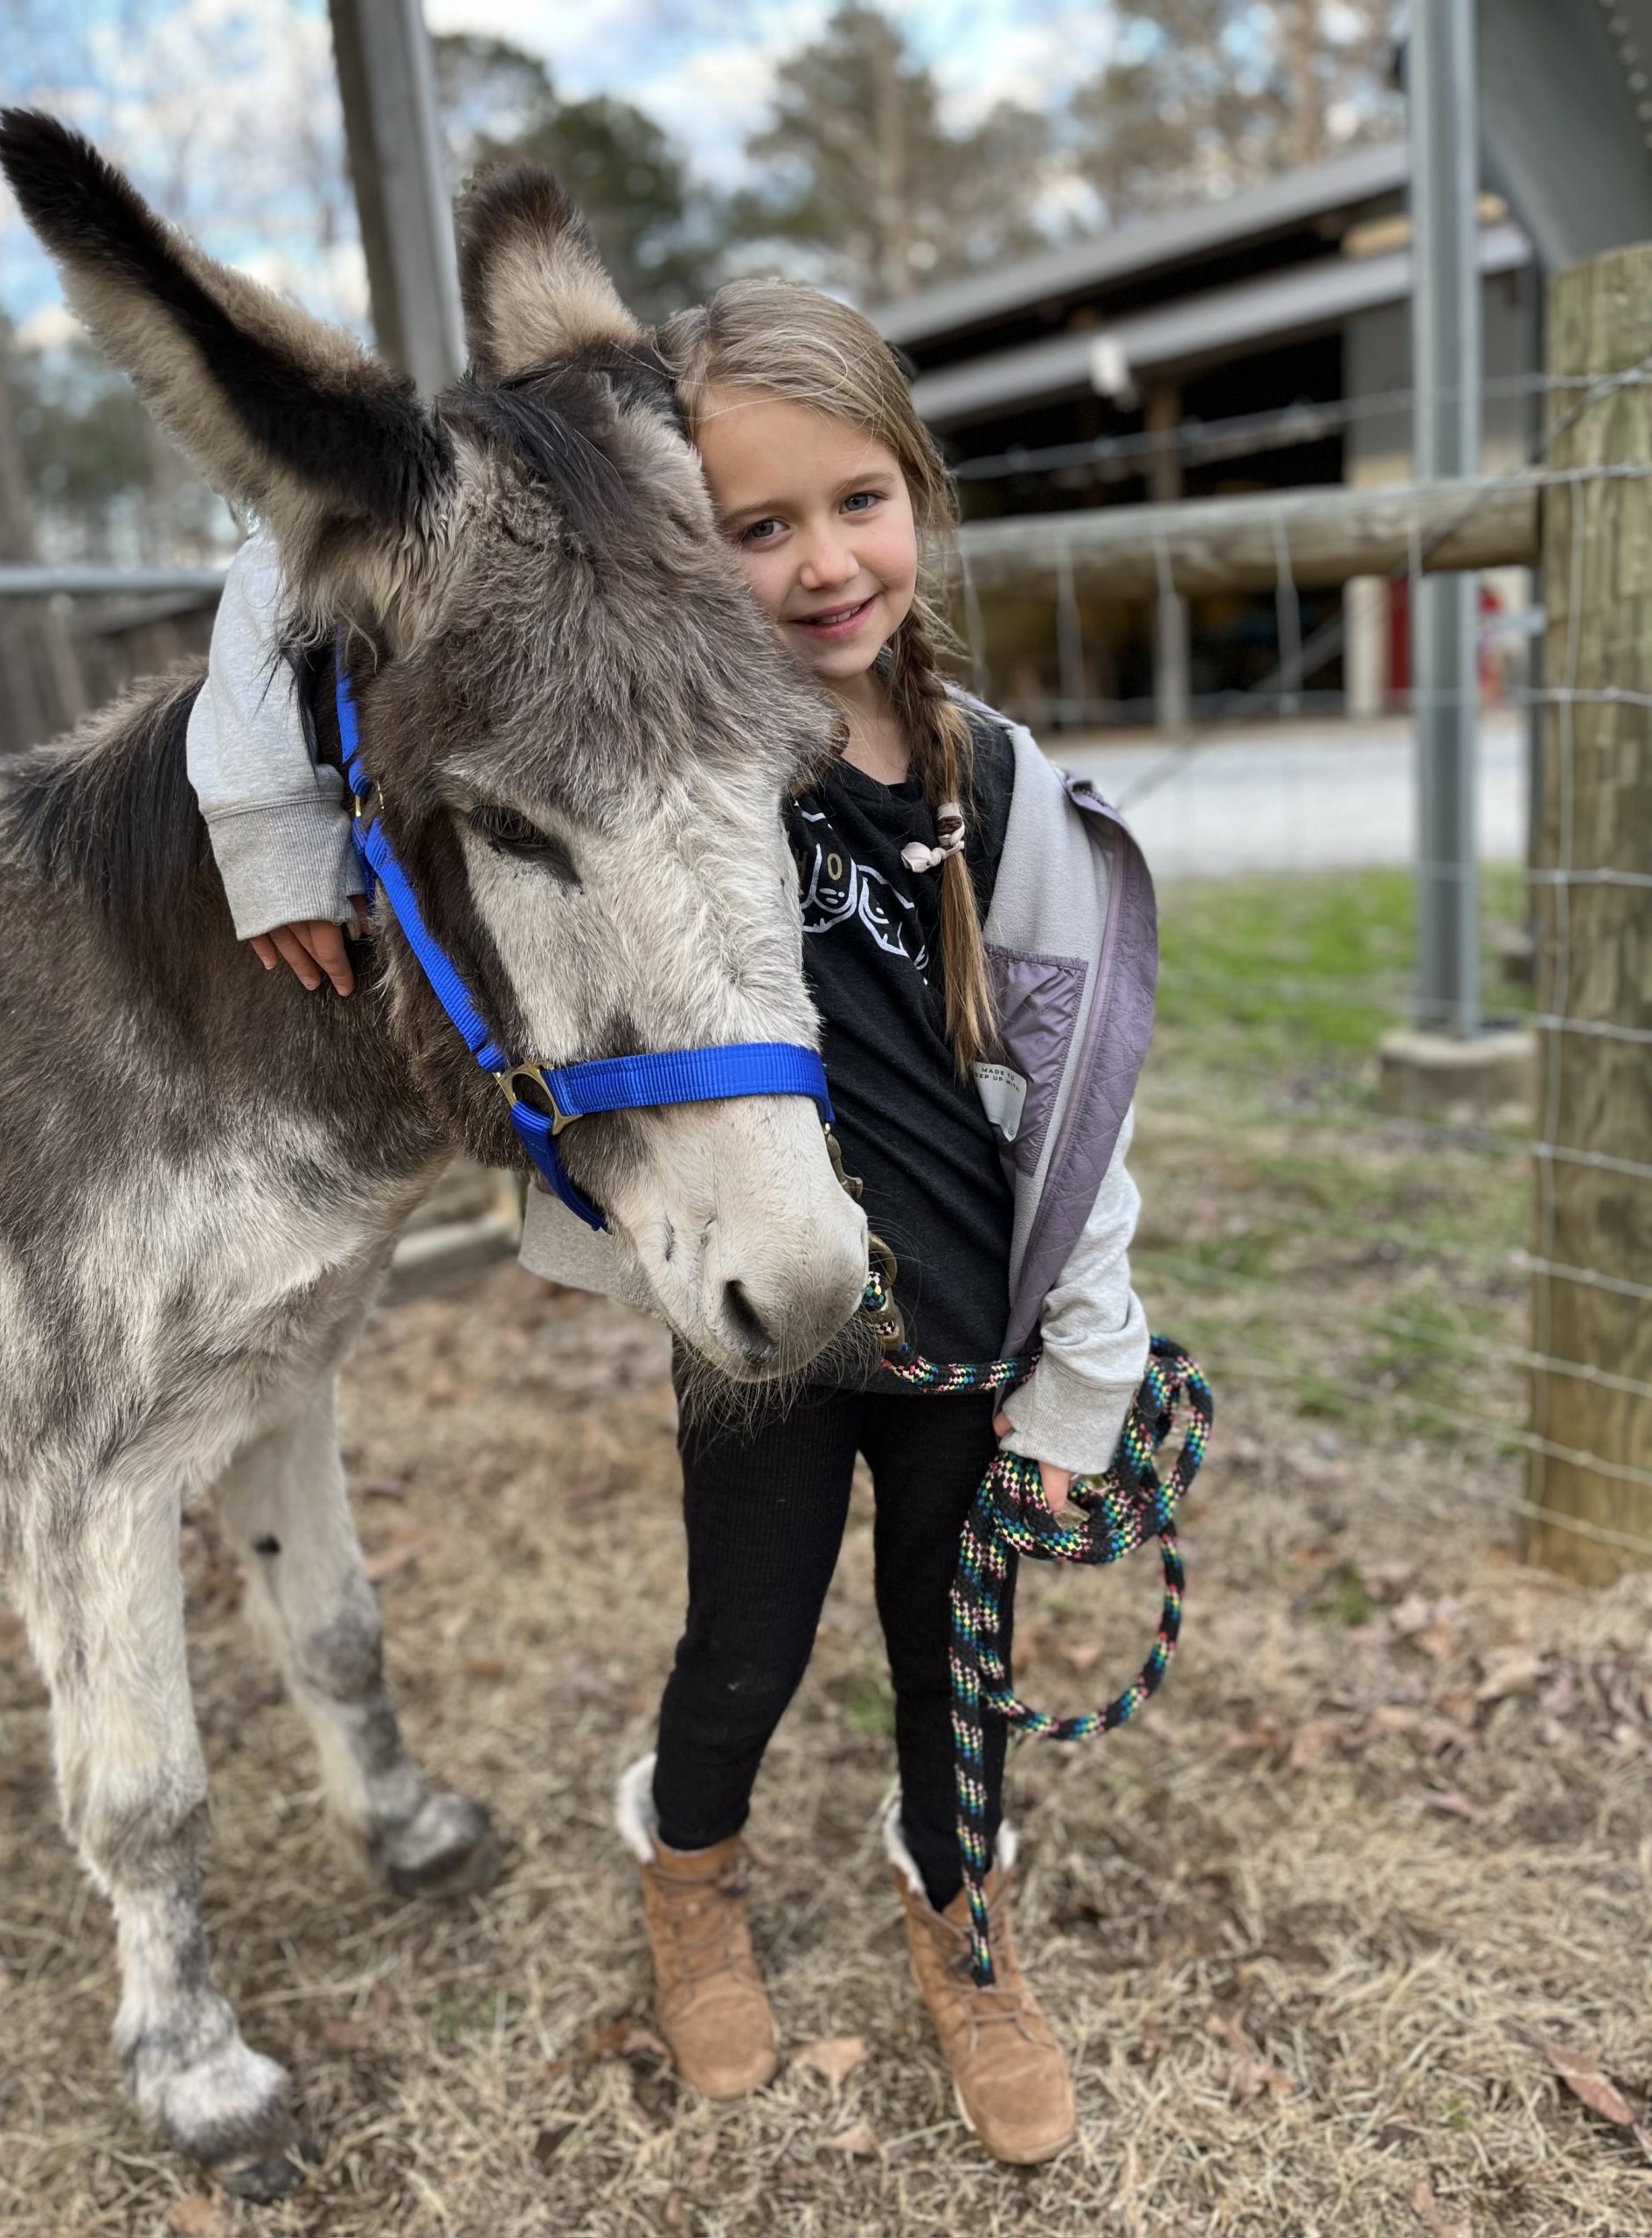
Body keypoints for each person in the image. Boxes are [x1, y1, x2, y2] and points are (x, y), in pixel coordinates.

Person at [185, 278, 1156, 2167]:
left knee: (959, 1643)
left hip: (971, 1321)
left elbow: (1084, 1084)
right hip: (761, 1325)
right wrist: (267, 832)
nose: (815, 566)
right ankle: (688, 1866)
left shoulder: (1003, 781)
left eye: (855, 501)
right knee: (745, 1643)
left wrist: (1091, 1360)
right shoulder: (647, 747)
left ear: (919, 493)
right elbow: (282, 558)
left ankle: (962, 1915)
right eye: (750, 525)